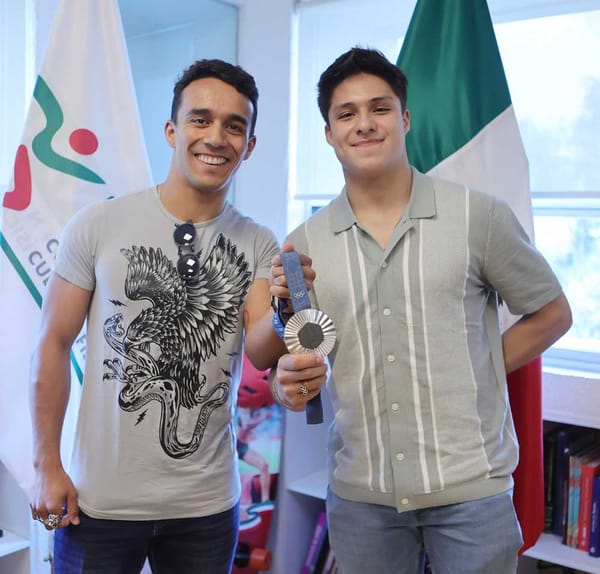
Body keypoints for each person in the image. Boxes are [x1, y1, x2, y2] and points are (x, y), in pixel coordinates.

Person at [245, 47, 573, 574]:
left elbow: (552, 313)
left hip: (471, 489)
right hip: (362, 495)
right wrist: (288, 383)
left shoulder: (477, 216)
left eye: (379, 108)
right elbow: (277, 353)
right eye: (346, 114)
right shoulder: (303, 242)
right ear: (329, 134)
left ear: (405, 117)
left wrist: (480, 364)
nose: (364, 124)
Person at [29, 59, 278, 574]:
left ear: (249, 146)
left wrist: (288, 309)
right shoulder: (100, 224)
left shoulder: (258, 241)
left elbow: (259, 346)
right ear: (172, 130)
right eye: (201, 119)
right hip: (100, 502)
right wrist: (46, 464)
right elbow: (53, 341)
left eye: (235, 126)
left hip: (207, 507)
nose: (217, 136)